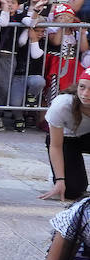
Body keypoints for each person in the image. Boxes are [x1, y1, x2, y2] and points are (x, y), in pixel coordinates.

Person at [40, 70, 90, 203]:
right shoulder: (62, 104)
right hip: (66, 140)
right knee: (72, 191)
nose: (85, 94)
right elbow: (55, 145)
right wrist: (60, 180)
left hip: (87, 137)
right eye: (82, 87)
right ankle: (57, 174)